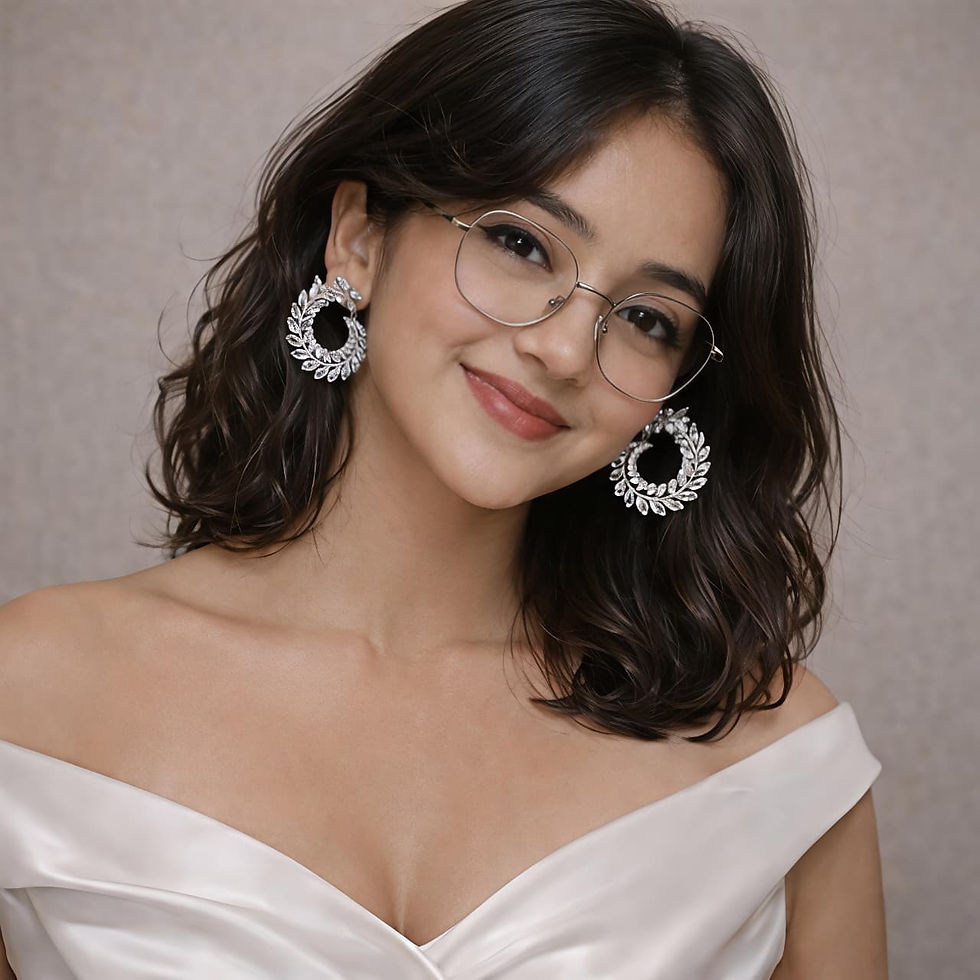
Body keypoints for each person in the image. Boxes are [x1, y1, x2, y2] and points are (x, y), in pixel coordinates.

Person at [0, 0, 887, 976]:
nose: (558, 346)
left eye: (644, 315)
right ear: (358, 239)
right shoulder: (30, 693)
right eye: (520, 243)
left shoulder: (779, 761)